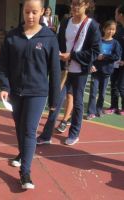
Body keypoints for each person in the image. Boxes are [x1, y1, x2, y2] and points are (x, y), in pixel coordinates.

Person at [0, 0, 61, 189]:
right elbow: (3, 66)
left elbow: (55, 72)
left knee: (29, 130)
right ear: (22, 12)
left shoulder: (49, 38)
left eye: (34, 12)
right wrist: (4, 87)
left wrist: (54, 100)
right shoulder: (12, 36)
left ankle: (25, 173)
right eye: (27, 12)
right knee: (19, 127)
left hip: (37, 93)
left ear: (42, 11)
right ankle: (22, 153)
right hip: (16, 92)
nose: (30, 16)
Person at [38, 0, 101, 146]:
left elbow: (95, 52)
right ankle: (47, 134)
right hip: (63, 69)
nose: (74, 7)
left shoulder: (92, 26)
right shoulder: (65, 21)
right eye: (72, 4)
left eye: (78, 4)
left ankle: (74, 133)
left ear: (86, 5)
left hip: (80, 72)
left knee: (78, 103)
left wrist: (72, 56)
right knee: (56, 101)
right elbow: (57, 43)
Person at [87, 20, 122, 119]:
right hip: (95, 71)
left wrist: (104, 57)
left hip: (107, 72)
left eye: (113, 29)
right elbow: (91, 54)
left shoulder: (115, 43)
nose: (111, 31)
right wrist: (91, 65)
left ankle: (98, 110)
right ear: (104, 29)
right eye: (109, 29)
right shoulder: (98, 41)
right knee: (93, 93)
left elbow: (116, 56)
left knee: (102, 94)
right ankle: (91, 112)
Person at [104, 5, 124, 116]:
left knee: (121, 86)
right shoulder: (119, 29)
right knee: (114, 85)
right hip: (116, 63)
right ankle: (114, 107)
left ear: (121, 15)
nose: (115, 15)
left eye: (116, 13)